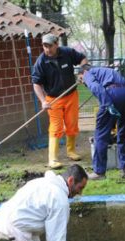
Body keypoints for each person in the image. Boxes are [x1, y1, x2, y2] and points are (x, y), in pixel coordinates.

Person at [32, 34, 89, 169]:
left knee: (72, 123)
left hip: (71, 95)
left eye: (50, 46)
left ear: (56, 44)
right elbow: (36, 84)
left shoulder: (67, 53)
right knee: (56, 127)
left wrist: (82, 72)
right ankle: (53, 159)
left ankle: (71, 151)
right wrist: (42, 101)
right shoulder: (41, 62)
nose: (47, 49)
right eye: (45, 46)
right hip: (53, 100)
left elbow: (83, 59)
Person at [79, 64, 125, 180]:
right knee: (122, 133)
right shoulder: (105, 70)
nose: (82, 82)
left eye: (80, 79)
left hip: (112, 95)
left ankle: (99, 172)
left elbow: (95, 87)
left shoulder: (88, 73)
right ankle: (124, 169)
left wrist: (108, 104)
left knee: (101, 135)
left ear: (83, 72)